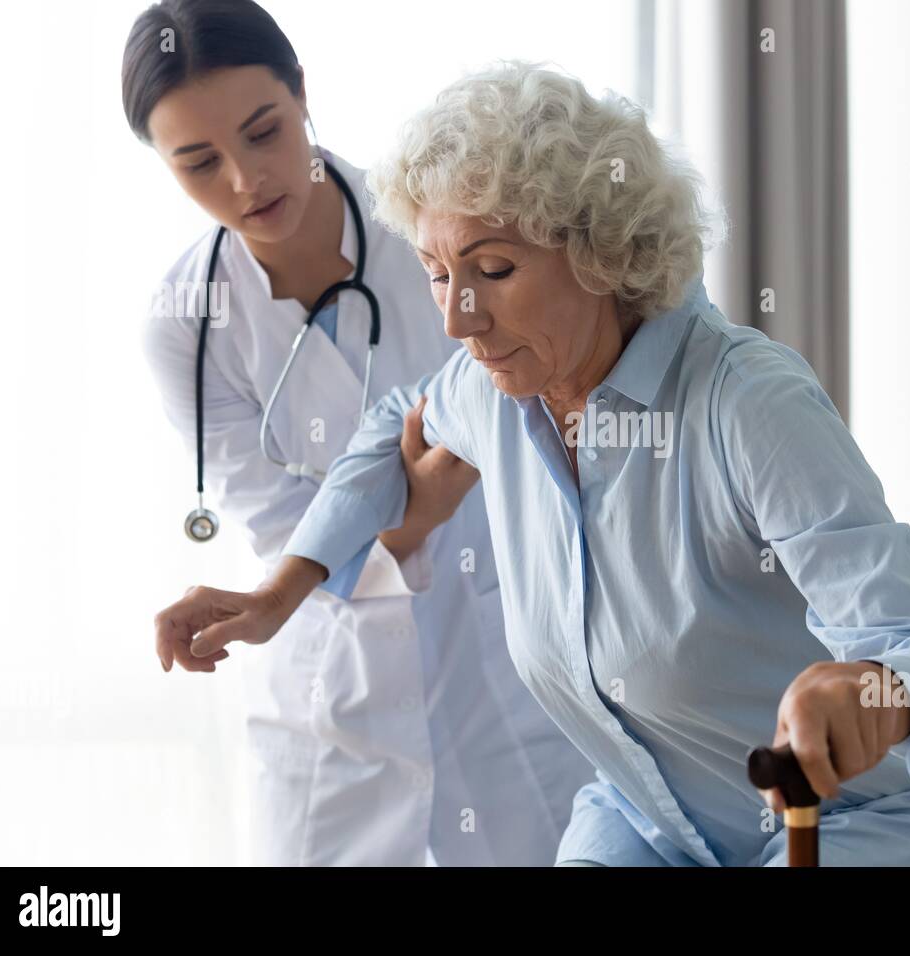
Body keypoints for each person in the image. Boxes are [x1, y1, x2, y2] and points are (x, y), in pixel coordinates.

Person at [155, 60, 910, 866]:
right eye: (434, 272)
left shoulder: (744, 403)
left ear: (603, 253)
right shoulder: (497, 390)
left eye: (493, 269)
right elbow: (391, 423)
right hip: (650, 821)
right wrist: (279, 593)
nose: (457, 318)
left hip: (855, 816)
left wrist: (873, 694)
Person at [127, 3, 592, 866]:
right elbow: (284, 530)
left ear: (303, 92)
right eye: (198, 163)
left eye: (265, 132)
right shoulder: (184, 328)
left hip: (506, 663)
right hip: (328, 698)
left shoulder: (438, 239)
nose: (244, 181)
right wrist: (413, 519)